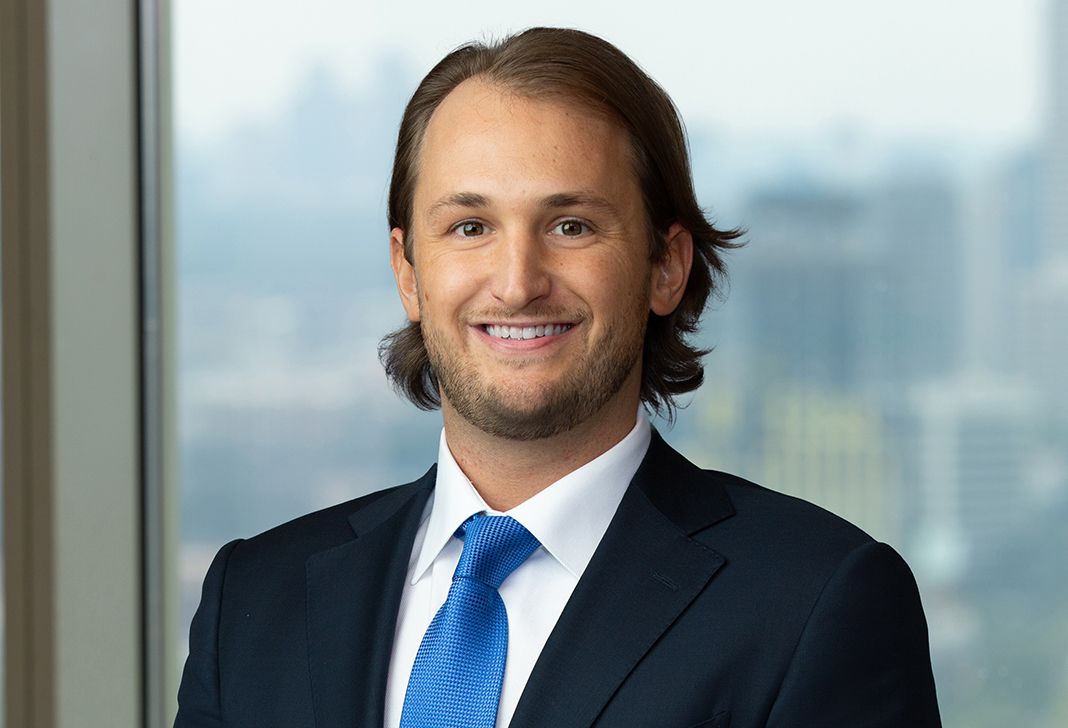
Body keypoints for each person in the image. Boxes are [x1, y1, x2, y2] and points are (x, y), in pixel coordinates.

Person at [175, 27, 942, 728]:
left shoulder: (814, 605)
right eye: (470, 227)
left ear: (666, 267)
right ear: (408, 271)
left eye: (571, 226)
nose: (517, 283)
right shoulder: (255, 599)